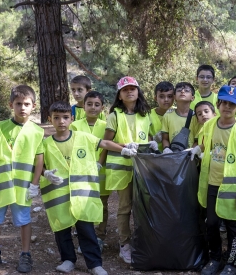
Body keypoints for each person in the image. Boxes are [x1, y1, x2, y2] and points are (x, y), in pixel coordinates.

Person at [35, 101, 138, 275]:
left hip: (82, 197)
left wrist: (123, 148)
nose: (61, 121)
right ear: (49, 119)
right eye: (56, 118)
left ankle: (94, 264)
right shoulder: (45, 144)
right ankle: (68, 260)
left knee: (87, 230)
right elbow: (38, 164)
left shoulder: (82, 137)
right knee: (62, 230)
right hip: (59, 197)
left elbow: (104, 144)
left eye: (65, 117)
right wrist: (46, 174)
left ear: (72, 119)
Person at [0, 85, 44, 273]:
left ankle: (25, 254)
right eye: (18, 104)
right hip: (0, 184)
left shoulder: (37, 132)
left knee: (23, 219)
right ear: (11, 105)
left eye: (26, 104)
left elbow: (39, 160)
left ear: (34, 106)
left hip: (23, 186)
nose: (22, 107)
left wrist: (35, 184)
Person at [196, 85, 236, 275]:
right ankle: (215, 259)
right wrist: (195, 150)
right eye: (224, 103)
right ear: (218, 104)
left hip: (234, 186)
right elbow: (205, 147)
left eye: (232, 104)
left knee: (233, 228)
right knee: (211, 223)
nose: (227, 107)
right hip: (213, 183)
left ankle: (232, 263)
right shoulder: (210, 125)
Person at [99, 76, 155, 264]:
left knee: (143, 207)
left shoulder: (145, 114)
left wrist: (153, 144)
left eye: (133, 88)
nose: (129, 92)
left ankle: (142, 241)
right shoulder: (115, 115)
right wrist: (120, 149)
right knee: (124, 208)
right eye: (125, 90)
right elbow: (106, 142)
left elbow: (149, 136)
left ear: (138, 92)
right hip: (121, 169)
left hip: (142, 169)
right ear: (120, 95)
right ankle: (125, 244)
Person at [69, 91, 110, 251]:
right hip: (82, 174)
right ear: (83, 106)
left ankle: (99, 237)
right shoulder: (75, 125)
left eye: (97, 104)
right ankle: (86, 237)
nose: (93, 107)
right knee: (83, 203)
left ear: (102, 108)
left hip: (101, 172)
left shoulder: (106, 125)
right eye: (89, 104)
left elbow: (106, 145)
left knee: (102, 204)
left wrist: (100, 162)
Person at [159, 82, 198, 153]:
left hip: (190, 158)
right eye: (179, 90)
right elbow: (165, 138)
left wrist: (191, 152)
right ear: (175, 97)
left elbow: (197, 140)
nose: (182, 91)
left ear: (192, 98)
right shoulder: (168, 115)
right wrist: (166, 149)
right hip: (173, 156)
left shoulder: (196, 117)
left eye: (186, 91)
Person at [151, 81, 175, 151]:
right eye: (161, 96)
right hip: (154, 156)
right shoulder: (147, 115)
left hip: (176, 155)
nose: (166, 100)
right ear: (155, 98)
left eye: (169, 96)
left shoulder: (178, 112)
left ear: (174, 97)